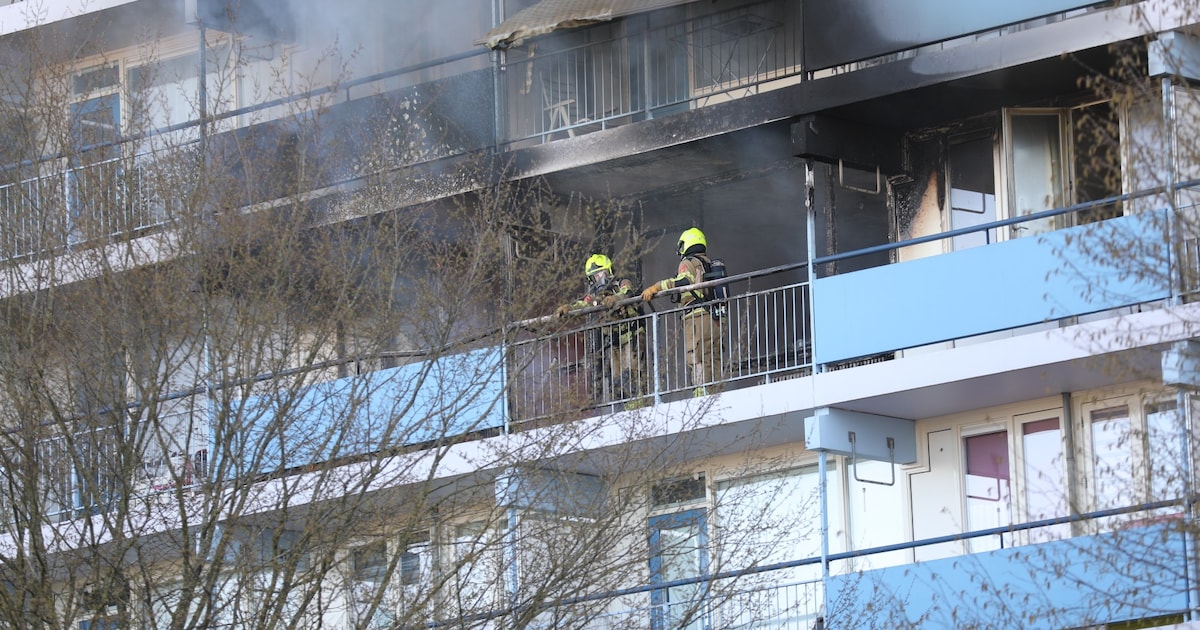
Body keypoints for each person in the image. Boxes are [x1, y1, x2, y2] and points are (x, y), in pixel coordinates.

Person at [641, 227, 725, 396]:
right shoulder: (707, 263)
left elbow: (683, 281)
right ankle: (716, 392)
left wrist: (657, 287)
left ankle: (701, 393)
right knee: (713, 356)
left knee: (696, 355)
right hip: (714, 317)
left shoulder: (688, 263)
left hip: (696, 318)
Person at [556, 254, 647, 405]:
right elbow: (583, 305)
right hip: (614, 342)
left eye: (601, 274)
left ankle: (638, 407)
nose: (599, 279)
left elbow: (627, 292)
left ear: (609, 271)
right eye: (595, 276)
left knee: (632, 375)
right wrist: (568, 309)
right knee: (618, 381)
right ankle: (625, 410)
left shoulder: (622, 283)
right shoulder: (595, 297)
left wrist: (616, 299)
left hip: (632, 337)